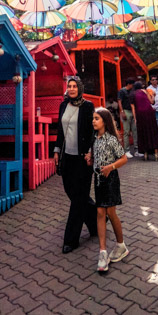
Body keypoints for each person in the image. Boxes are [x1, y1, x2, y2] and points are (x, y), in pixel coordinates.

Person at [54, 77, 97, 253]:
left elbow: (93, 131)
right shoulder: (63, 105)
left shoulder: (87, 106)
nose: (71, 89)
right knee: (71, 192)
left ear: (79, 88)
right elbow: (60, 130)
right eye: (69, 86)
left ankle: (71, 240)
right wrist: (56, 150)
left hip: (83, 158)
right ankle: (96, 220)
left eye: (74, 86)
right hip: (67, 157)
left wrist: (91, 151)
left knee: (79, 198)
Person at [90, 108, 129, 273]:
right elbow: (96, 157)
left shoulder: (111, 139)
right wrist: (90, 159)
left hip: (110, 179)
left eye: (97, 118)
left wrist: (110, 167)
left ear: (104, 121)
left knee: (111, 213)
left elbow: (123, 158)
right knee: (100, 213)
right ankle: (103, 252)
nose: (93, 121)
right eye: (93, 118)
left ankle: (121, 245)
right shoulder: (95, 139)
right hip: (98, 179)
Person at [131, 81, 158, 161]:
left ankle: (145, 154)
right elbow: (151, 102)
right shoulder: (145, 91)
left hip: (140, 114)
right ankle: (156, 154)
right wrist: (154, 95)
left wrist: (135, 119)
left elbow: (133, 108)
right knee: (152, 132)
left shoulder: (132, 94)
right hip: (149, 113)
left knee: (143, 133)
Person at [117, 78, 141, 159]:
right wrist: (122, 111)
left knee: (135, 130)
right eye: (132, 84)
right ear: (129, 84)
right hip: (126, 110)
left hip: (133, 111)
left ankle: (137, 149)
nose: (133, 86)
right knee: (126, 131)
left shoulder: (132, 91)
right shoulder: (122, 91)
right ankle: (126, 150)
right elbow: (119, 101)